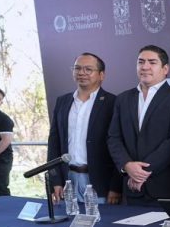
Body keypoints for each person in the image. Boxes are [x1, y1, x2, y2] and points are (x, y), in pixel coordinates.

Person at [108, 45, 170, 206]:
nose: (145, 67)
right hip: (132, 189)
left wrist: (141, 173)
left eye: (152, 62)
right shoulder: (123, 99)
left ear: (165, 69)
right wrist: (127, 166)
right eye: (141, 62)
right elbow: (114, 138)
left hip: (167, 189)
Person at [47, 53, 121, 204]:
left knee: (102, 220)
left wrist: (116, 186)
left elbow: (119, 146)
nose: (81, 73)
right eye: (77, 68)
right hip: (67, 181)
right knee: (68, 219)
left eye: (88, 69)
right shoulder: (62, 101)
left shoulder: (113, 102)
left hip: (100, 183)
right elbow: (54, 142)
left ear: (101, 75)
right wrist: (56, 180)